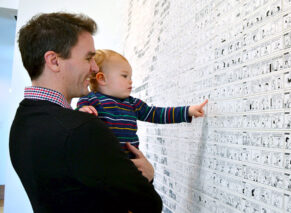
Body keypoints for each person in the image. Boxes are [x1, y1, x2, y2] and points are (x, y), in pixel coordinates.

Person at [9, 12, 162, 213]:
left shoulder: (22, 121)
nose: (95, 67)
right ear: (54, 61)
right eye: (89, 57)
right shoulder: (82, 129)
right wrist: (148, 174)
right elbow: (149, 205)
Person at [77, 49, 208, 158]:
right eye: (124, 76)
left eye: (130, 77)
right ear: (102, 78)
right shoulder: (90, 100)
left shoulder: (132, 103)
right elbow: (75, 121)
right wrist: (82, 112)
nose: (130, 81)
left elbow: (156, 114)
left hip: (131, 162)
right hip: (102, 161)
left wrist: (187, 111)